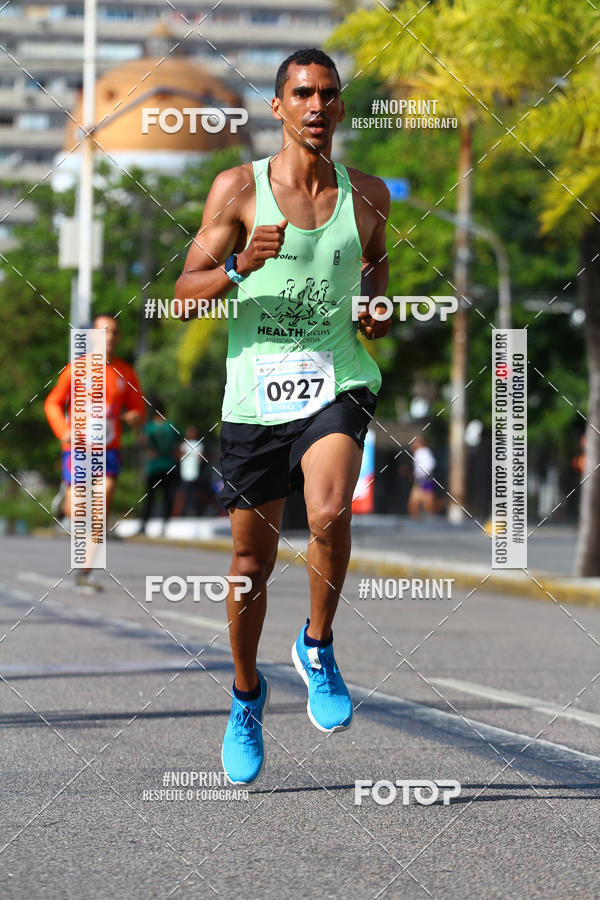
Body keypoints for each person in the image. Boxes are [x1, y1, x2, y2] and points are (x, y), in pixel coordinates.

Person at [175, 47, 391, 785]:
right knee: (249, 566)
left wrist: (376, 305)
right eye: (302, 93)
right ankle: (245, 696)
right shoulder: (238, 190)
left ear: (339, 106)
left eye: (328, 94)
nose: (316, 106)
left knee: (329, 512)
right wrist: (239, 266)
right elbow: (182, 295)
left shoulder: (368, 195)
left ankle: (319, 645)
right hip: (256, 397)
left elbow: (376, 262)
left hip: (337, 379)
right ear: (277, 107)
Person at [44, 313, 145, 591]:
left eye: (114, 332)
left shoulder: (125, 373)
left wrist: (135, 417)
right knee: (78, 512)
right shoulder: (76, 369)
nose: (109, 337)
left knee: (99, 513)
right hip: (77, 449)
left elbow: (138, 408)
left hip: (108, 451)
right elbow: (52, 403)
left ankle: (85, 573)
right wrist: (62, 430)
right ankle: (66, 498)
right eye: (104, 332)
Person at [139, 400, 180, 534]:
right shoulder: (171, 426)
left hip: (154, 466)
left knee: (150, 497)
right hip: (169, 465)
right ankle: (164, 526)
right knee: (168, 496)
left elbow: (143, 443)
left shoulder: (149, 427)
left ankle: (143, 526)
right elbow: (178, 446)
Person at [172, 425, 205, 517]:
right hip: (185, 473)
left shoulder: (199, 444)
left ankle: (194, 511)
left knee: (194, 494)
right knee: (183, 494)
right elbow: (177, 456)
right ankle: (181, 512)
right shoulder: (184, 445)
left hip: (195, 473)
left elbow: (202, 457)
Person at [407, 435, 437, 518]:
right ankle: (417, 519)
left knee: (427, 503)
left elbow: (429, 465)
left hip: (425, 479)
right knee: (414, 502)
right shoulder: (420, 452)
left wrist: (421, 475)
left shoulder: (423, 452)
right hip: (421, 479)